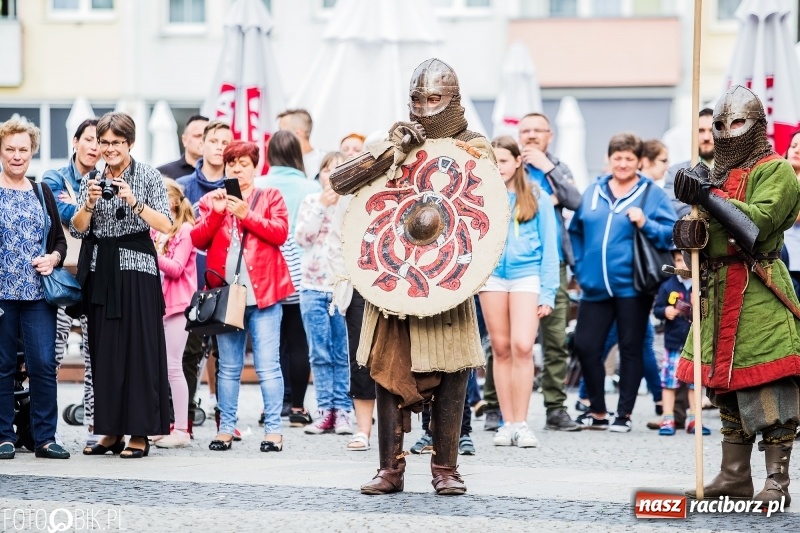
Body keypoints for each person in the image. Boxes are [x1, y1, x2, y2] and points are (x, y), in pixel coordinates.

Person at [338, 58, 492, 496]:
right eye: (417, 99)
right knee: (388, 370)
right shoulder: (394, 142)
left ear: (453, 100)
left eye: (434, 99)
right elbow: (340, 180)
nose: (425, 107)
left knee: (453, 370)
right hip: (396, 275)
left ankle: (446, 468)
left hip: (447, 280)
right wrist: (394, 151)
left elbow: (485, 206)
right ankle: (390, 468)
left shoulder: (474, 145)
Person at [674, 86, 800, 505]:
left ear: (756, 125)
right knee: (724, 387)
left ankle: (777, 481)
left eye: (737, 123)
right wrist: (689, 235)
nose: (728, 132)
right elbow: (702, 238)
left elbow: (757, 226)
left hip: (758, 288)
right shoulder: (712, 171)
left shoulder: (777, 170)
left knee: (768, 383)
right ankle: (734, 475)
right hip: (716, 290)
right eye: (720, 125)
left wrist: (707, 194)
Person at [72, 112, 173, 459]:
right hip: (102, 272)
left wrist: (135, 201)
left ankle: (140, 432)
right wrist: (89, 203)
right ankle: (111, 430)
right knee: (105, 353)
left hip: (138, 271)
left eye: (117, 142)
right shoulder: (92, 179)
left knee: (140, 351)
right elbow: (78, 228)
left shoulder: (148, 175)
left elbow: (168, 224)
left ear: (130, 143)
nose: (110, 148)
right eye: (104, 142)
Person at [569, 132, 676, 432]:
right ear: (608, 159)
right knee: (586, 346)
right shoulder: (592, 192)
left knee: (630, 348)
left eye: (629, 158)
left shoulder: (651, 194)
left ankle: (624, 414)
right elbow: (575, 230)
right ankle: (598, 411)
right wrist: (579, 264)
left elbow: (670, 233)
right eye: (618, 157)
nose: (623, 163)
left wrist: (645, 222)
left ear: (639, 161)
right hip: (594, 286)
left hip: (633, 286)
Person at [191, 140, 293, 453]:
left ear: (255, 166)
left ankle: (274, 430)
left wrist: (246, 214)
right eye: (232, 164)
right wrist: (217, 214)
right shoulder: (213, 199)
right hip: (227, 296)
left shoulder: (270, 195)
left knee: (267, 366)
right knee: (229, 368)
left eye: (243, 164)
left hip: (264, 294)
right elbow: (197, 239)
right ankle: (225, 430)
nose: (237, 169)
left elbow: (280, 233)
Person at [479, 136, 559, 448]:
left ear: (517, 161)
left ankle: (522, 423)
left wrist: (548, 292)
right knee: (500, 349)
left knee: (523, 346)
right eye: (492, 161)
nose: (497, 167)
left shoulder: (537, 195)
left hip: (528, 275)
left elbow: (551, 248)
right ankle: (507, 422)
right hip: (492, 278)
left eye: (502, 160)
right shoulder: (481, 197)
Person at [0, 117, 69, 460]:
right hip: (2, 295)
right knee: (2, 367)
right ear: (1, 151)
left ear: (32, 152)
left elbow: (59, 241)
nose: (16, 156)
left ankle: (45, 437)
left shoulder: (42, 192)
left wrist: (54, 257)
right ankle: (3, 436)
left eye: (23, 149)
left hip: (39, 294)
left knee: (43, 364)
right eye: (10, 149)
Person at [517, 112, 582, 432]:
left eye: (537, 130)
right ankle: (494, 406)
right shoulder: (510, 166)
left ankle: (555, 407)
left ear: (549, 135)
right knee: (505, 341)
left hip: (552, 264)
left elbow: (575, 201)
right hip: (513, 266)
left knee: (555, 338)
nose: (530, 135)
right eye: (525, 130)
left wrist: (547, 167)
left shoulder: (557, 168)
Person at [255, 130, 321, 427]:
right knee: (297, 339)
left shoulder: (258, 185)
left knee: (272, 339)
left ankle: (274, 403)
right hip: (302, 269)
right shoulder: (310, 186)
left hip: (267, 268)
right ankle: (296, 406)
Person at [41, 118, 100, 447]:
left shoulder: (106, 179)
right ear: (75, 142)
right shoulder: (54, 178)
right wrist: (90, 205)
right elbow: (69, 218)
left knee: (95, 360)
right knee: (53, 357)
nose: (94, 147)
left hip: (95, 278)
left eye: (99, 141)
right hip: (63, 277)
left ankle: (95, 430)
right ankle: (45, 431)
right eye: (89, 139)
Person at [176, 120, 233, 431]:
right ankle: (182, 418)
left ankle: (226, 420)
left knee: (226, 356)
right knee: (190, 353)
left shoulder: (236, 186)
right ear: (203, 144)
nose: (219, 146)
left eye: (226, 141)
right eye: (214, 140)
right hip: (190, 283)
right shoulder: (185, 186)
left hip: (226, 283)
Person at [295, 152, 353, 435]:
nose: (333, 174)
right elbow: (302, 238)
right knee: (318, 353)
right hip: (312, 287)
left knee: (342, 353)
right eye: (329, 169)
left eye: (340, 169)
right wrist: (321, 206)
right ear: (321, 174)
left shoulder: (353, 204)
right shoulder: (310, 201)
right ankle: (324, 410)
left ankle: (343, 410)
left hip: (342, 287)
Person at [150, 179, 196, 449]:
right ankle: (163, 424)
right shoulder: (159, 231)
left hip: (178, 306)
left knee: (173, 367)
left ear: (175, 201)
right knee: (160, 368)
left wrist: (150, 251)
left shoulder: (186, 230)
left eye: (161, 197)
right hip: (160, 304)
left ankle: (181, 429)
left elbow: (177, 268)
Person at [652, 250, 709, 436]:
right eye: (679, 260)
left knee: (695, 384)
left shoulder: (701, 285)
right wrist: (665, 311)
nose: (684, 265)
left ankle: (695, 419)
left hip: (696, 345)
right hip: (673, 344)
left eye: (687, 261)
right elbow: (657, 309)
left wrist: (698, 304)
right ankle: (667, 417)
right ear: (674, 263)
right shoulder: (668, 286)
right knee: (669, 383)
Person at [663, 108, 715, 218]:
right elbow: (672, 207)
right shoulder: (676, 172)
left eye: (712, 131)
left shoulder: (733, 169)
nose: (706, 137)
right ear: (693, 134)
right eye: (701, 131)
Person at [277, 109, 326, 179]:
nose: (277, 136)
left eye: (282, 132)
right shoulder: (279, 164)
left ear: (298, 133)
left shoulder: (325, 160)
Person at [157, 115, 209, 179]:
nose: (203, 140)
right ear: (184, 140)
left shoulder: (222, 173)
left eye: (207, 136)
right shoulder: (163, 173)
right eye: (198, 136)